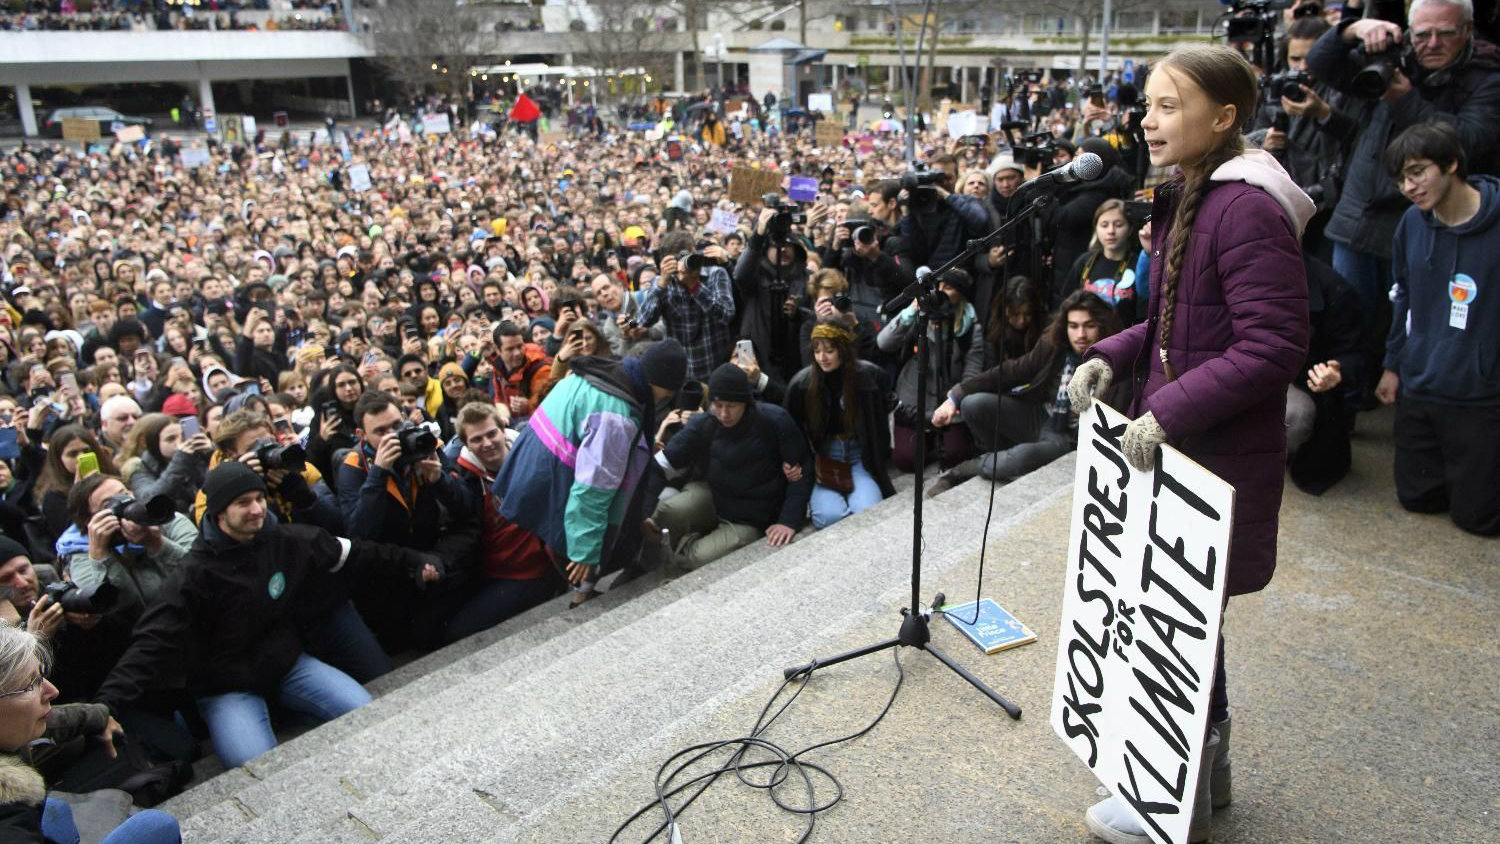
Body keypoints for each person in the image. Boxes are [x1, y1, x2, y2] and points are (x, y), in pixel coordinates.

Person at [1067, 45, 1313, 844]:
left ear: (1225, 117)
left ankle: (1173, 803)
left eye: (1169, 105)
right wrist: (1111, 354)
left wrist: (1169, 410)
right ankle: (1207, 781)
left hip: (1214, 457)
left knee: (1182, 626)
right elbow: (1178, 323)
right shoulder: (1191, 194)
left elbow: (1272, 344)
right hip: (1188, 446)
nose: (1147, 119)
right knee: (1187, 623)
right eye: (1148, 103)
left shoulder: (1243, 208)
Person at [94, 463, 441, 769]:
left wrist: (415, 561)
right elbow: (151, 642)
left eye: (259, 499)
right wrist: (105, 707)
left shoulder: (285, 540)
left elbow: (356, 553)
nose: (257, 510)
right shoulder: (192, 575)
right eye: (243, 503)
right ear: (217, 513)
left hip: (288, 666)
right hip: (227, 689)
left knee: (364, 709)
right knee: (255, 767)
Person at [1306, 0, 1500, 388]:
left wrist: (1405, 101)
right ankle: (1346, 401)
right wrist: (1352, 31)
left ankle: (1403, 394)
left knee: (1412, 319)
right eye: (1422, 34)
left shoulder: (1486, 78)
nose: (1432, 43)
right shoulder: (1393, 61)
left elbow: (1473, 139)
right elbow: (1321, 64)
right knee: (1347, 320)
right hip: (1357, 215)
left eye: (1445, 33)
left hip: (1422, 221)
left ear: (1467, 32)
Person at [1375, 121, 1500, 535]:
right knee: (1417, 499)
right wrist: (1393, 365)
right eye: (1400, 179)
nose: (1408, 186)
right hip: (1423, 382)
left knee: (1477, 520)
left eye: (1417, 172)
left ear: (1452, 163)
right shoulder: (1412, 222)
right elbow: (1403, 295)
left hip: (1481, 391)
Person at [493, 339, 687, 605]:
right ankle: (583, 595)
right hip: (554, 476)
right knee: (577, 543)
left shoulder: (600, 375)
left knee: (565, 535)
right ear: (662, 387)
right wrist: (584, 552)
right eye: (665, 395)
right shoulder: (615, 414)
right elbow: (594, 486)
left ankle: (583, 588)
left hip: (532, 468)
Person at [929, 290, 1128, 495]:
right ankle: (997, 455)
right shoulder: (1056, 345)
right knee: (973, 404)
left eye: (1089, 325)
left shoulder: (1116, 364)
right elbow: (1013, 370)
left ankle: (963, 471)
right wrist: (956, 396)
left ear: (1103, 326)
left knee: (1018, 458)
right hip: (1044, 415)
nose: (1080, 335)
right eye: (1073, 326)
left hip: (1070, 438)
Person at [0, 625, 182, 844]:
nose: (52, 691)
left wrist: (100, 716)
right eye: (32, 683)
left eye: (42, 676)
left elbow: (56, 720)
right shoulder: (10, 819)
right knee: (157, 827)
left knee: (57, 812)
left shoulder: (10, 728)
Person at [648, 363, 811, 568]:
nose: (724, 414)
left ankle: (679, 553)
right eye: (718, 405)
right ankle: (652, 559)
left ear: (745, 403)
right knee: (667, 512)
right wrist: (643, 512)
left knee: (699, 557)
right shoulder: (705, 423)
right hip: (714, 496)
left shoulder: (774, 420)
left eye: (731, 406)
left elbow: (803, 470)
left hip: (751, 516)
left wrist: (789, 520)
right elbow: (662, 463)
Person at [785, 321, 895, 529]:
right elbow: (789, 426)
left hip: (859, 457)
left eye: (829, 350)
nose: (822, 358)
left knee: (870, 510)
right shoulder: (802, 384)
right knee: (828, 517)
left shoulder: (868, 376)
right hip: (826, 459)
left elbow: (891, 410)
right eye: (817, 351)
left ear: (842, 350)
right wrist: (793, 461)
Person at [877, 268, 979, 472]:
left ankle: (936, 439)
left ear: (961, 293)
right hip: (914, 396)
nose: (939, 292)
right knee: (906, 459)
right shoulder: (919, 314)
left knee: (955, 455)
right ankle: (927, 441)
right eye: (938, 286)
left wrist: (956, 398)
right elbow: (884, 343)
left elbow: (973, 370)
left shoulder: (970, 324)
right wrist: (911, 311)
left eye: (948, 288)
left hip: (950, 399)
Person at [641, 231, 736, 382]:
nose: (684, 262)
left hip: (715, 368)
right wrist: (661, 284)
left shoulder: (716, 274)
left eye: (688, 255)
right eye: (678, 258)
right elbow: (644, 321)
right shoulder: (662, 282)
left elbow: (726, 315)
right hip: (681, 374)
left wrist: (695, 286)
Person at [1062, 199, 1145, 326]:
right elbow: (1065, 305)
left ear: (1130, 229)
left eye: (1118, 225)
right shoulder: (1084, 262)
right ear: (1096, 228)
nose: (1111, 231)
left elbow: (1143, 315)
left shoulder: (1140, 264)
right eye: (1104, 225)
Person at [118, 413, 213, 517]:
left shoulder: (198, 456)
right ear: (154, 444)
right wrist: (181, 459)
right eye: (170, 439)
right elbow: (149, 499)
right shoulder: (139, 468)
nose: (178, 443)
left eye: (182, 437)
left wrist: (211, 454)